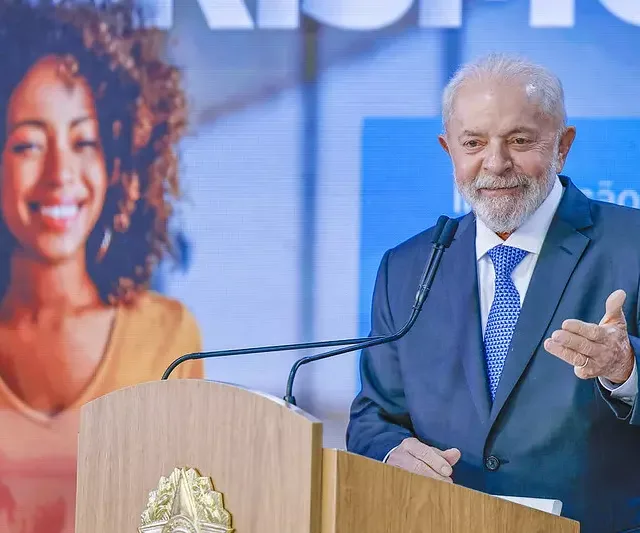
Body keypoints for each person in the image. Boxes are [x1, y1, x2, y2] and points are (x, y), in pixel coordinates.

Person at [347, 53, 640, 533]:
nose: (496, 163)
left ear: (563, 145)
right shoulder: (407, 268)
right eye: (474, 143)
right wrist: (391, 452)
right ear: (449, 150)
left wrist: (626, 370)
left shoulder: (631, 245)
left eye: (520, 141)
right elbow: (373, 416)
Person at [0, 1, 204, 531]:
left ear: (118, 162)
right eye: (28, 144)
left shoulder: (167, 336)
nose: (59, 173)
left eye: (83, 142)